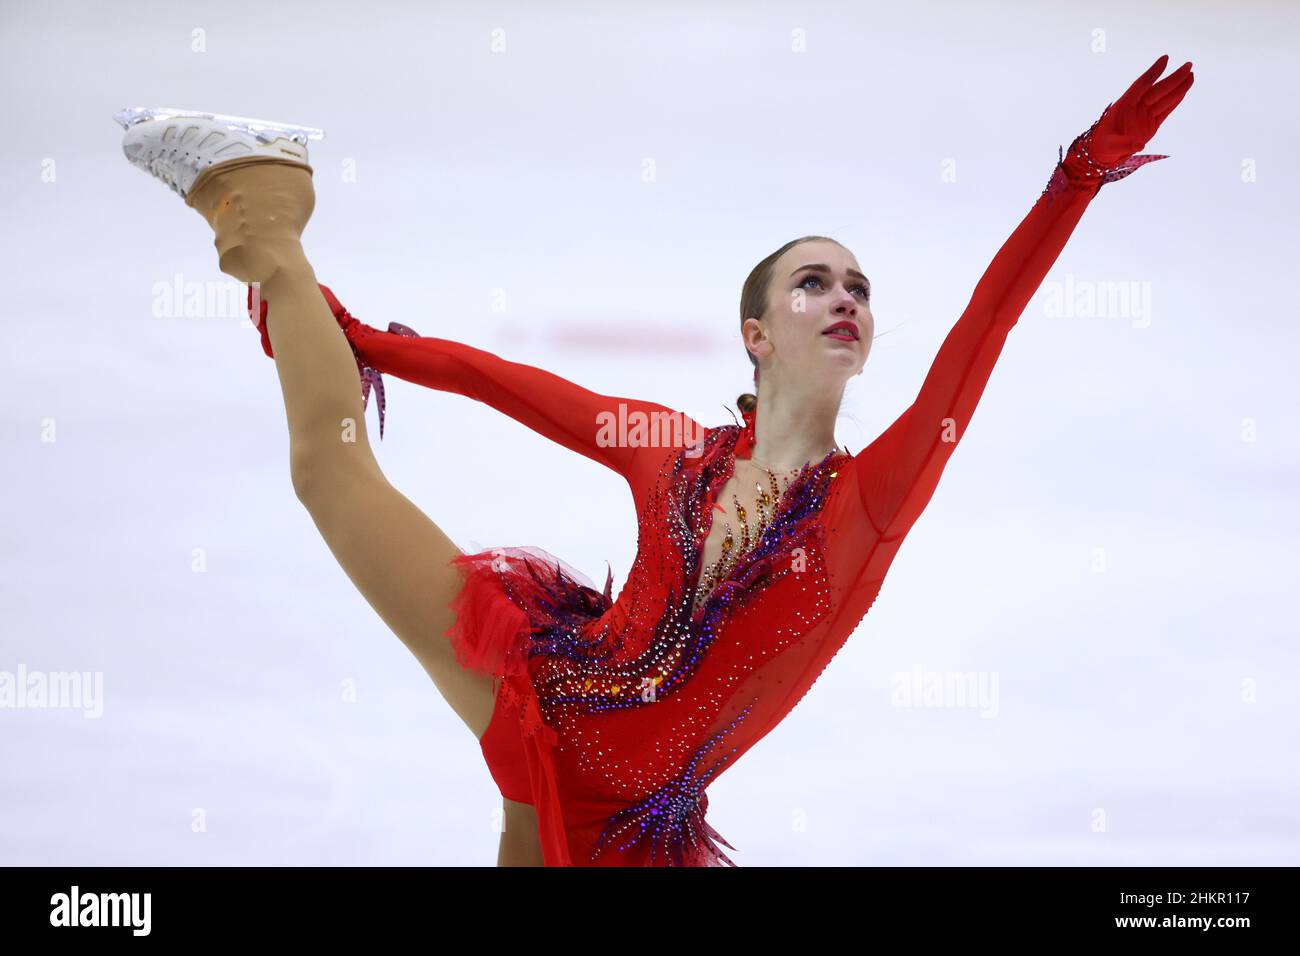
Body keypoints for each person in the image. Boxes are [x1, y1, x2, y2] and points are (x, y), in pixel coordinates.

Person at [112, 54, 1194, 866]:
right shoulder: (668, 451)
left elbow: (981, 335)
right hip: (533, 691)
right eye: (814, 282)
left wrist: (1076, 181)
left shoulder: (871, 501)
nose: (846, 297)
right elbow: (500, 381)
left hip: (624, 820)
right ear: (757, 334)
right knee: (331, 472)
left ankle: (263, 217)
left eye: (859, 286)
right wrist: (368, 341)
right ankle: (263, 207)